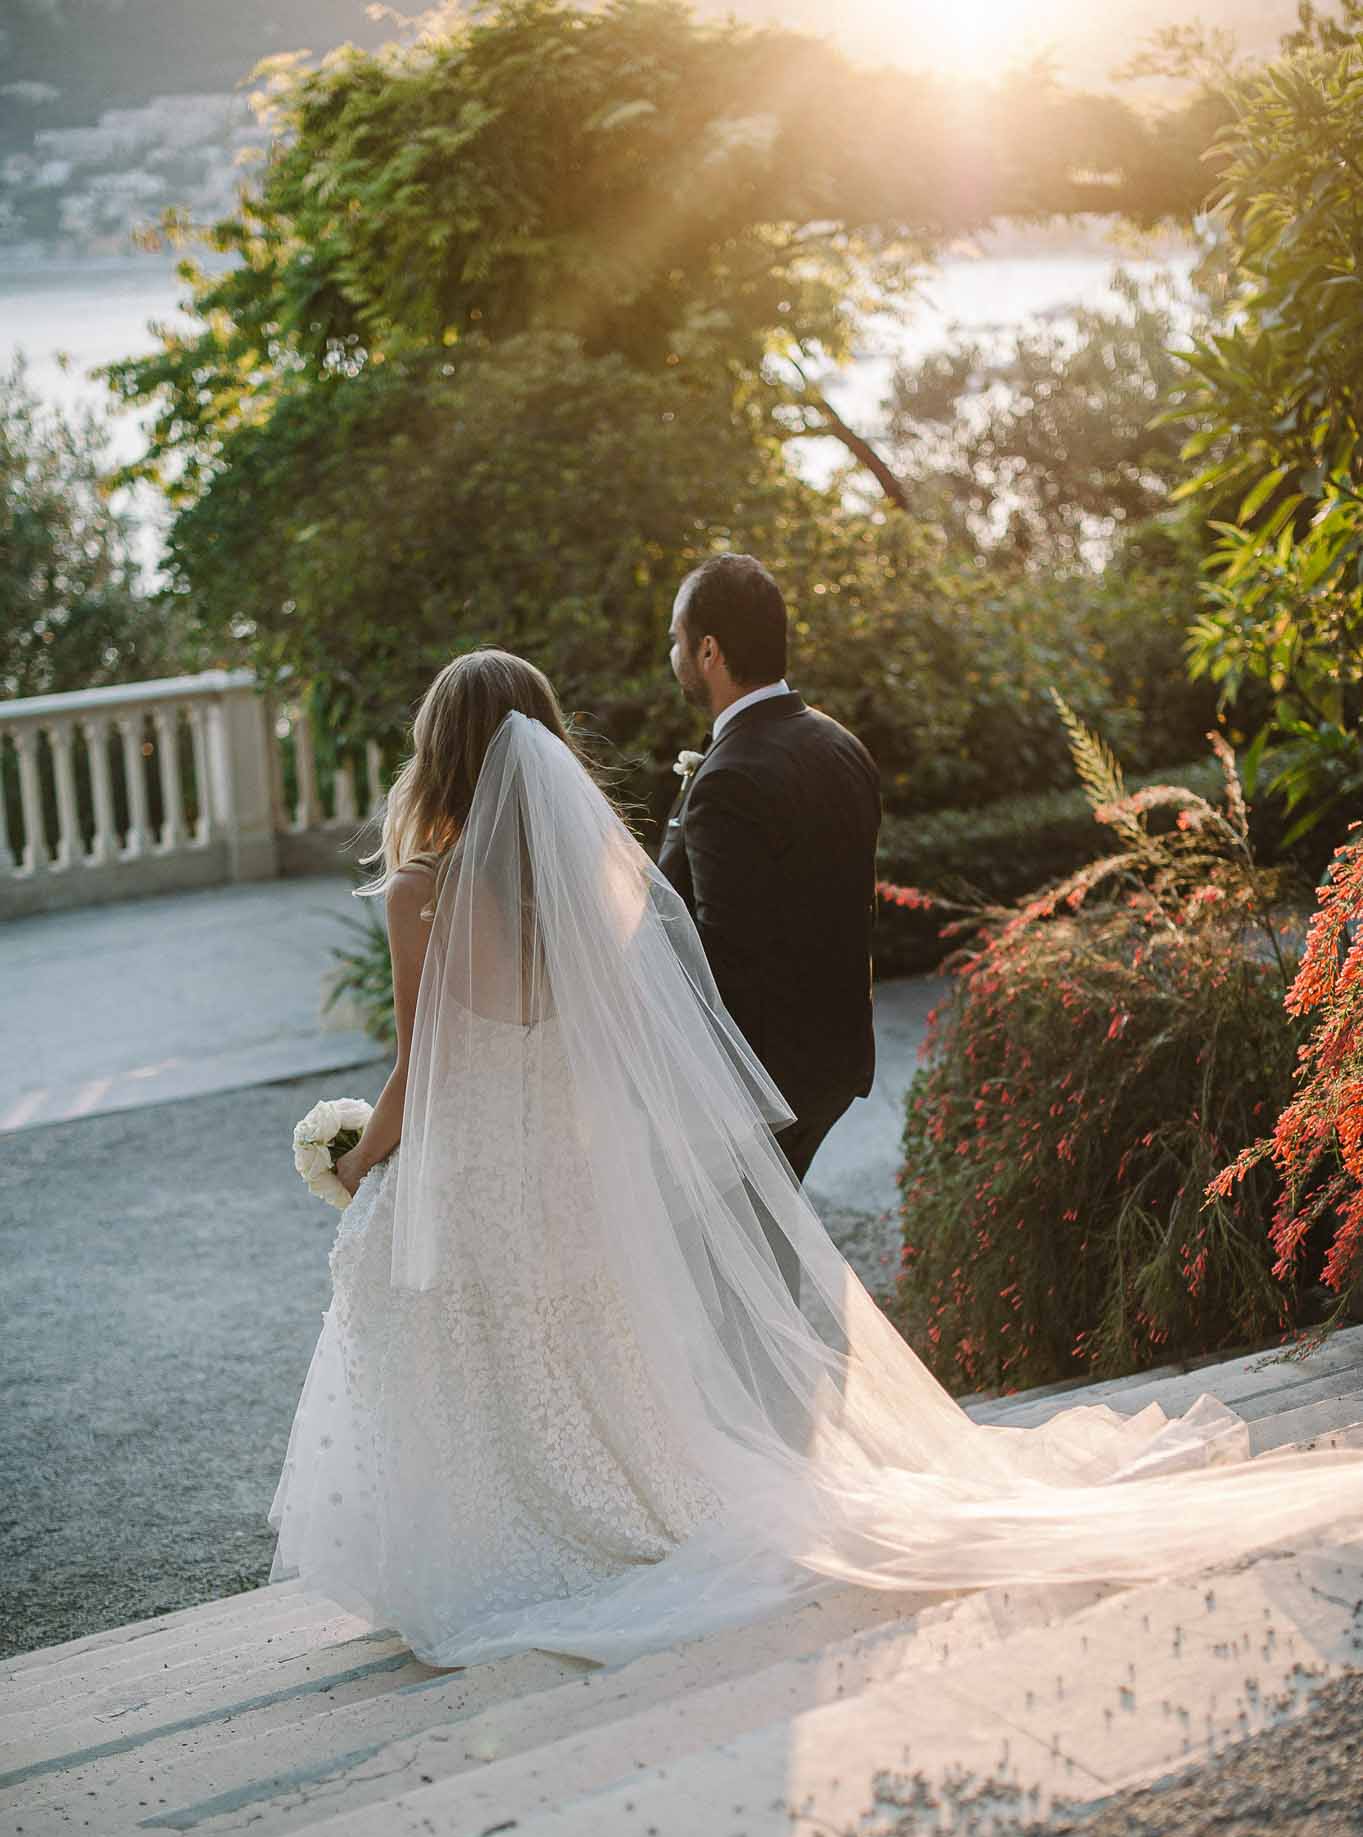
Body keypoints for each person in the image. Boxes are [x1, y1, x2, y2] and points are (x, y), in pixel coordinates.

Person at [266, 648, 1363, 1673]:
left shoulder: (424, 889)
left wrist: (360, 1159)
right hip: (570, 1174)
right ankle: (614, 1512)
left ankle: (504, 1538)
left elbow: (423, 1067)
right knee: (582, 1350)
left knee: (451, 1327)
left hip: (481, 1175)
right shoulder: (586, 881)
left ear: (442, 752)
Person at [658, 554, 880, 1184]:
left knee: (727, 1268)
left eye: (675, 639)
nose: (670, 655)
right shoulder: (842, 745)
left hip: (755, 1091)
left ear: (708, 651)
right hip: (833, 1065)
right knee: (774, 1257)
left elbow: (724, 962)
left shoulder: (729, 778)